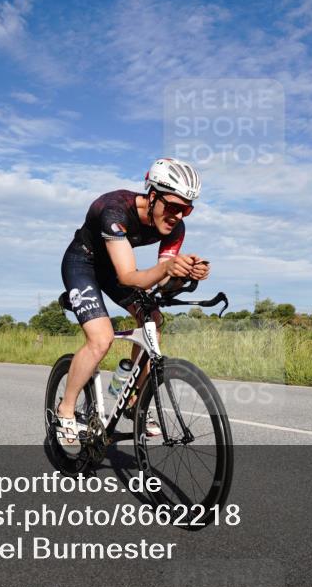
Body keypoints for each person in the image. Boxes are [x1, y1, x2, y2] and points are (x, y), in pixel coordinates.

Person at [56, 158, 211, 450]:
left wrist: (185, 273)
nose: (178, 215)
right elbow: (129, 277)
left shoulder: (175, 228)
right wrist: (168, 268)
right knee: (101, 339)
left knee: (153, 318)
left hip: (114, 270)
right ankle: (66, 409)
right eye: (174, 206)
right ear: (152, 195)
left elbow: (162, 284)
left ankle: (134, 401)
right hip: (83, 263)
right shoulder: (113, 209)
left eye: (186, 209)